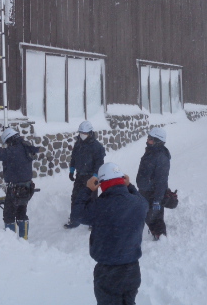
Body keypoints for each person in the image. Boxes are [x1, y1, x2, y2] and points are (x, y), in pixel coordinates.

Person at [76, 162, 148, 305]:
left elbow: (77, 215)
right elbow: (143, 202)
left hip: (108, 271)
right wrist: (130, 186)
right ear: (122, 180)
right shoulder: (138, 203)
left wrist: (87, 189)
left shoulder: (100, 206)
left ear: (102, 184)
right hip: (132, 270)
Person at [0, 127, 40, 239]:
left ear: (10, 139)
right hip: (27, 187)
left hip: (15, 189)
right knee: (21, 213)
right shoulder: (25, 146)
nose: (7, 145)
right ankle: (24, 239)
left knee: (9, 215)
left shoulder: (14, 150)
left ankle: (11, 243)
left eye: (7, 143)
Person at [65, 120, 106, 229]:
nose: (82, 135)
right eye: (81, 133)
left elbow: (99, 163)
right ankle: (74, 219)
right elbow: (73, 158)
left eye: (85, 133)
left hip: (91, 176)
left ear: (90, 133)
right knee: (76, 197)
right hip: (80, 175)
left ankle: (92, 222)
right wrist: (71, 170)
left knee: (91, 199)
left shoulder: (97, 147)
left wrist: (95, 176)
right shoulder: (78, 144)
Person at [135, 127, 171, 240]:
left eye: (150, 139)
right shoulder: (151, 151)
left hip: (153, 192)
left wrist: (157, 199)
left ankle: (160, 236)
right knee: (146, 215)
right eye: (148, 138)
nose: (147, 140)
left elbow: (161, 180)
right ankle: (153, 232)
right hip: (145, 190)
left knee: (155, 216)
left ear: (158, 141)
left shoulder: (161, 157)